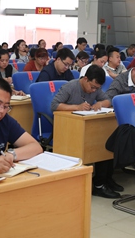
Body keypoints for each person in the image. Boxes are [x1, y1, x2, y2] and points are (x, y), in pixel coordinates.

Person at [50, 65, 120, 198]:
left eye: (97, 88)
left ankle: (104, 180)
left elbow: (108, 100)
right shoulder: (70, 87)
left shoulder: (95, 88)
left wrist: (100, 104)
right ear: (86, 79)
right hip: (68, 128)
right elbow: (54, 105)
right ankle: (97, 184)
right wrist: (77, 107)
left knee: (104, 140)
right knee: (98, 143)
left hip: (84, 125)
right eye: (92, 87)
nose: (94, 90)